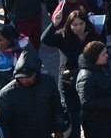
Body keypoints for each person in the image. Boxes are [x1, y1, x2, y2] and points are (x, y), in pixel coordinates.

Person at [41, 8, 101, 138]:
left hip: (89, 83)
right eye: (74, 24)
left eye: (81, 24)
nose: (78, 27)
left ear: (86, 23)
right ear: (69, 25)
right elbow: (45, 39)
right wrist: (54, 24)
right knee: (73, 117)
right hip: (69, 84)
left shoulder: (93, 36)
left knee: (90, 117)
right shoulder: (63, 36)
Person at [0, 51, 62, 138]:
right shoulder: (7, 94)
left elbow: (56, 107)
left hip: (45, 133)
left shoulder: (48, 83)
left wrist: (59, 130)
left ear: (35, 73)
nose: (24, 80)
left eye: (27, 77)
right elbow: (3, 123)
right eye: (20, 77)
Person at [76, 41, 111, 138]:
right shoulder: (86, 77)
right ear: (94, 56)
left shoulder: (103, 66)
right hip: (95, 123)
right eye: (103, 54)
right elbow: (87, 102)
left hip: (108, 118)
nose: (107, 56)